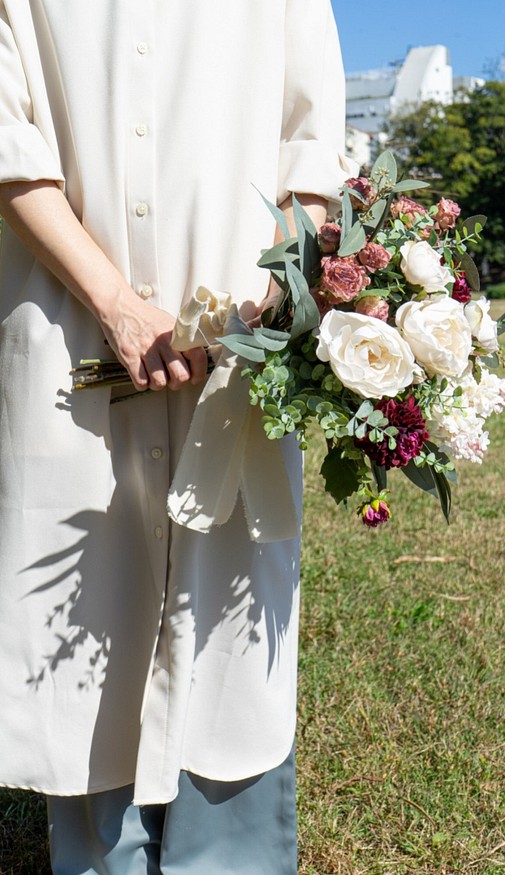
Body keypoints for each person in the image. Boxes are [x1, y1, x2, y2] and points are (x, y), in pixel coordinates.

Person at [0, 0, 357, 872]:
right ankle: (98, 857)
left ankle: (230, 856)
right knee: (82, 587)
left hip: (237, 342)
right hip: (68, 331)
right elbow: (8, 142)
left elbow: (309, 148)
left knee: (228, 596)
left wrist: (268, 309)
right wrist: (116, 303)